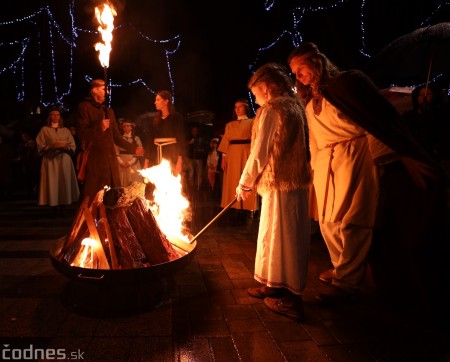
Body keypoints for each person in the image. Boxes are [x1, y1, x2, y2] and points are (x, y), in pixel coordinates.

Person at [288, 42, 448, 305]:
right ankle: (343, 268)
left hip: (356, 155)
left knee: (353, 220)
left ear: (316, 62)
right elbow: (314, 140)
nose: (298, 76)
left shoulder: (347, 83)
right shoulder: (310, 102)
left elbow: (377, 120)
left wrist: (397, 156)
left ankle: (347, 282)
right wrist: (314, 167)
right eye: (294, 72)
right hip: (327, 162)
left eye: (300, 69)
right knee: (328, 221)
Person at [236, 63, 312, 321]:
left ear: (267, 89)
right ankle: (274, 284)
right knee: (274, 235)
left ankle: (291, 300)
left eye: (256, 93)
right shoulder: (296, 107)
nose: (255, 99)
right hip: (292, 184)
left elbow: (259, 153)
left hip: (281, 183)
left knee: (284, 238)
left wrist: (244, 183)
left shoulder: (271, 110)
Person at [75, 79, 144, 203]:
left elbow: (117, 137)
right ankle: (91, 221)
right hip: (95, 161)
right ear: (94, 90)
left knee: (112, 197)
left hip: (110, 161)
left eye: (107, 89)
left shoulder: (109, 111)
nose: (107, 92)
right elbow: (82, 133)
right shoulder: (84, 107)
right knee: (93, 196)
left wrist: (134, 148)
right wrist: (99, 128)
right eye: (104, 89)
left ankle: (110, 221)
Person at [218, 98, 258, 219]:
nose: (237, 109)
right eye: (235, 107)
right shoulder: (230, 125)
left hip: (246, 152)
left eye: (240, 107)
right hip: (232, 154)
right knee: (232, 180)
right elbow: (226, 140)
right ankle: (232, 207)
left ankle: (247, 208)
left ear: (245, 107)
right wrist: (224, 156)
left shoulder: (252, 122)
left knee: (246, 178)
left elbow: (256, 138)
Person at [35, 107, 80, 216]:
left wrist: (66, 147)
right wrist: (49, 147)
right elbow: (40, 144)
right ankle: (54, 207)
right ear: (50, 117)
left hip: (64, 159)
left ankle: (64, 206)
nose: (56, 117)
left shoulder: (65, 130)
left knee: (64, 182)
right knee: (53, 182)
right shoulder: (44, 130)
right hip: (51, 159)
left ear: (60, 117)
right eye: (53, 115)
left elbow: (72, 144)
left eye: (58, 115)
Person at [142, 90, 185, 176]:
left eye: (158, 100)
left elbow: (181, 140)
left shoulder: (176, 118)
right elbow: (150, 142)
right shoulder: (154, 120)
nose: (155, 102)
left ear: (166, 101)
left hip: (172, 155)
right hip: (156, 155)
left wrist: (179, 161)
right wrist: (146, 162)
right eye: (155, 100)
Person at [116, 118, 144, 187]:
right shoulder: (120, 139)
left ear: (131, 127)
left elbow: (139, 152)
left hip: (133, 163)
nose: (126, 128)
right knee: (122, 183)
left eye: (128, 126)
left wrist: (130, 162)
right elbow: (116, 151)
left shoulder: (136, 139)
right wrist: (121, 162)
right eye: (124, 126)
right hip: (121, 163)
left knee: (134, 182)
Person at [186, 124, 208, 191]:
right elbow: (184, 145)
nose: (194, 131)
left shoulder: (201, 138)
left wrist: (202, 150)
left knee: (199, 174)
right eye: (193, 130)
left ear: (197, 131)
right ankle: (192, 188)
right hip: (191, 157)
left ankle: (198, 188)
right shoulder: (189, 137)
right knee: (191, 173)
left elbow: (205, 146)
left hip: (199, 158)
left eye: (196, 130)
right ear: (191, 131)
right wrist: (188, 143)